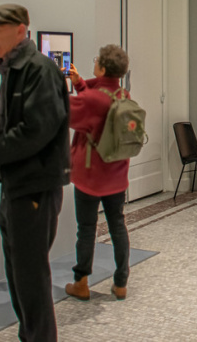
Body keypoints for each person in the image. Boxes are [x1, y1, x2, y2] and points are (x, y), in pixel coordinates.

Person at [0, 3, 70, 342]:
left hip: (35, 189)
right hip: (14, 186)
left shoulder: (39, 70)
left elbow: (37, 129)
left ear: (20, 30)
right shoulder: (12, 71)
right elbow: (5, 125)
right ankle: (30, 336)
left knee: (31, 276)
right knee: (20, 273)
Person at [64, 44, 131, 302]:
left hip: (90, 177)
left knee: (87, 228)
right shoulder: (123, 95)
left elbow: (68, 112)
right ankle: (121, 282)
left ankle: (81, 282)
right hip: (117, 175)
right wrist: (81, 84)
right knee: (117, 225)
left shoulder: (93, 100)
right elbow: (99, 97)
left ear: (101, 67)